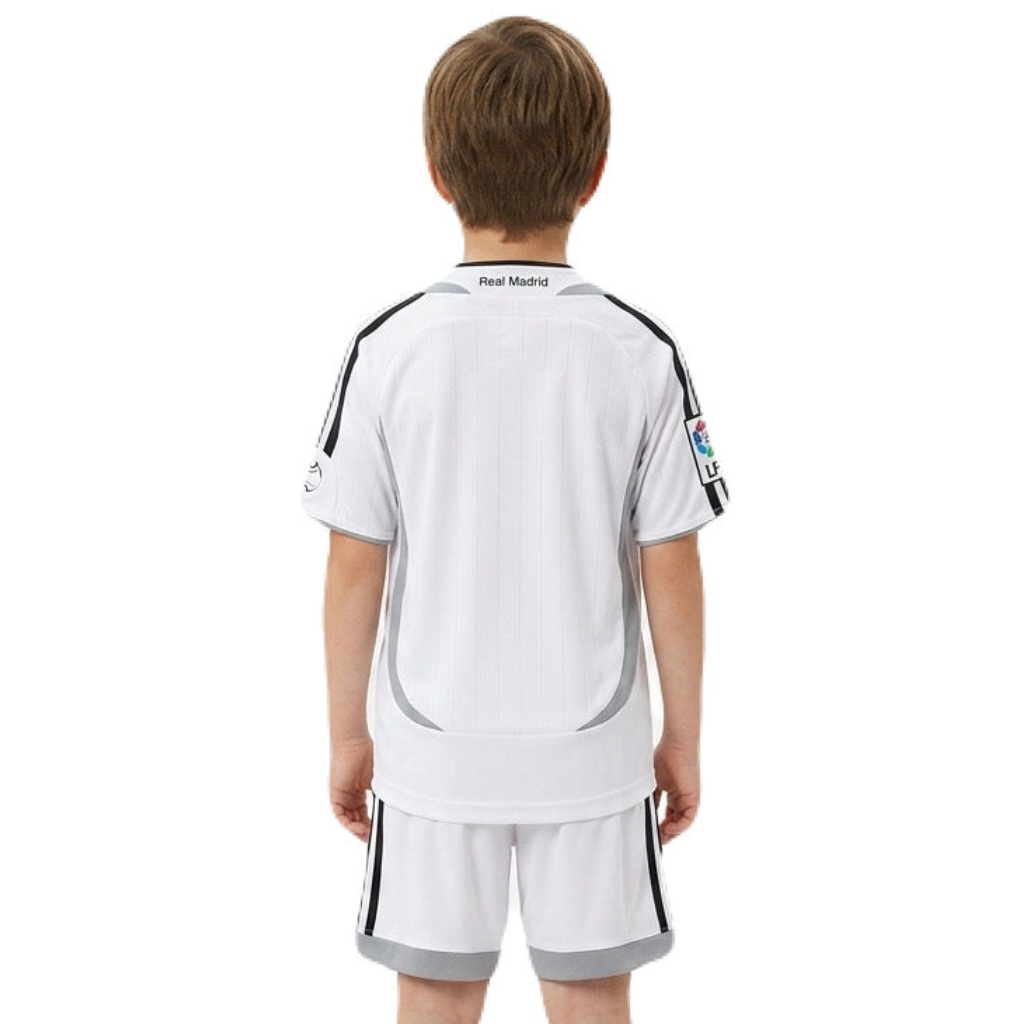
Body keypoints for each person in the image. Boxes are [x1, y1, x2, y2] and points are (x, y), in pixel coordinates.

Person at [301, 15, 730, 1024]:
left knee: (435, 997)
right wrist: (682, 737)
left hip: (430, 753)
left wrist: (347, 736)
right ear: (595, 172)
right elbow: (670, 560)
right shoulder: (640, 351)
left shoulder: (387, 349)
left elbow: (355, 562)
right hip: (593, 757)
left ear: (436, 171)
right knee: (590, 996)